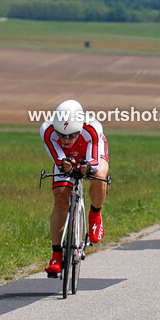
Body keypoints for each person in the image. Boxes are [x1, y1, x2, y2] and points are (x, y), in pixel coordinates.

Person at [39, 99, 110, 277]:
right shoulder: (47, 130)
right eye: (61, 135)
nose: (66, 139)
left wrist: (88, 166)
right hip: (66, 158)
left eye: (71, 135)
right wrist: (65, 163)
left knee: (99, 177)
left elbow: (94, 159)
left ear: (80, 128)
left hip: (90, 152)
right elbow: (58, 157)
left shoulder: (92, 128)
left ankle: (95, 213)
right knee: (61, 199)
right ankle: (56, 256)